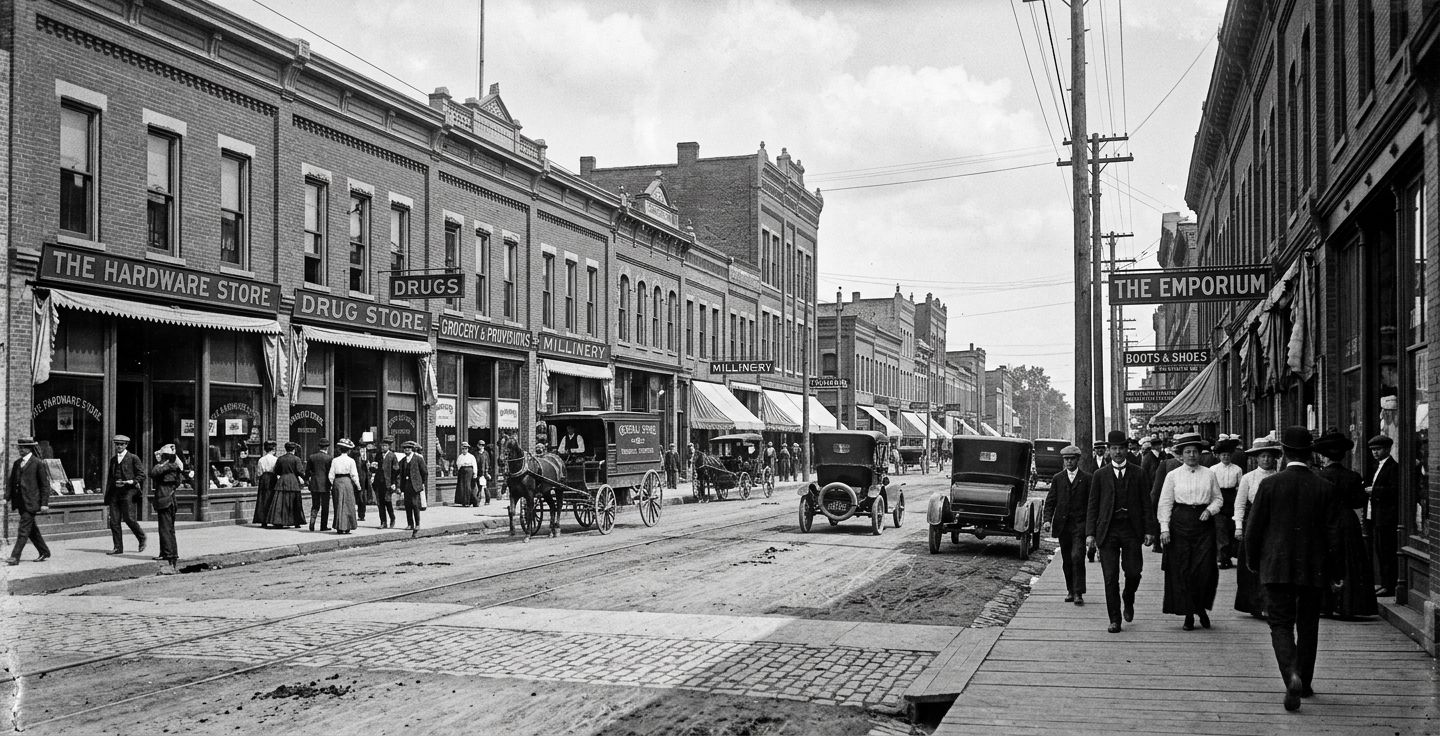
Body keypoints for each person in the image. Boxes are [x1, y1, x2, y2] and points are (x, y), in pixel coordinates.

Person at [1244, 426, 1343, 712]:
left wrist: (1253, 562)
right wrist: (1337, 573)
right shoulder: (1325, 486)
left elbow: (1254, 529)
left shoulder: (1270, 485)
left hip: (1276, 567)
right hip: (1313, 570)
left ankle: (1291, 675)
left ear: (1284, 454)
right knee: (1309, 624)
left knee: (1280, 624)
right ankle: (1306, 681)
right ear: (1309, 454)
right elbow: (1334, 535)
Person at [1086, 430, 1156, 633]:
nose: (1117, 452)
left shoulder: (1139, 473)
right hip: (1108, 531)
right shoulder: (1100, 475)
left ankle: (1128, 596)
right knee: (1110, 576)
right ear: (1108, 451)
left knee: (1133, 572)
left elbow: (1146, 504)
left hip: (1131, 531)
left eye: (1121, 448)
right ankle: (1114, 619)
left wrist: (1150, 530)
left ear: (1127, 450)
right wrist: (1090, 533)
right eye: (1114, 448)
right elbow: (1093, 505)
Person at [1158, 432, 1223, 631]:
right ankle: (1188, 614)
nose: (1192, 455)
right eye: (1187, 452)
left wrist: (1209, 510)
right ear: (1181, 455)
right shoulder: (1173, 475)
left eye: (1195, 452)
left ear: (1200, 454)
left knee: (1204, 570)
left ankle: (1201, 608)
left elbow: (1218, 499)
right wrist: (1164, 528)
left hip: (1203, 526)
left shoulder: (1209, 474)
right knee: (1182, 570)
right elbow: (1165, 503)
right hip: (1180, 525)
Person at [1312, 429, 1377, 618]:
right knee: (1350, 560)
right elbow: (1358, 501)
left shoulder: (1318, 477)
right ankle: (1350, 605)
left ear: (1324, 457)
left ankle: (1325, 604)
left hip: (1324, 521)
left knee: (1325, 557)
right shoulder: (1353, 476)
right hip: (1348, 522)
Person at [1233, 436, 1282, 617]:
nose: (1266, 460)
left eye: (1269, 456)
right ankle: (1254, 604)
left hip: (1274, 523)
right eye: (1262, 456)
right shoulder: (1248, 478)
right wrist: (1239, 526)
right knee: (1251, 563)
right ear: (1256, 458)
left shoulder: (1279, 477)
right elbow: (1239, 504)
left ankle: (1270, 604)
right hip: (1253, 522)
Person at [1043, 445, 1091, 606]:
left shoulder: (1087, 479)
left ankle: (1078, 592)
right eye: (1066, 459)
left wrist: (1091, 527)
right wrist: (1047, 520)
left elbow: (1092, 504)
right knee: (1067, 560)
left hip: (1080, 524)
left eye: (1072, 459)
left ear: (1078, 460)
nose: (1069, 462)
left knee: (1077, 556)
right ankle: (1070, 590)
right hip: (1063, 526)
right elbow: (1050, 501)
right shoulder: (1058, 478)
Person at [6, 437, 51, 565]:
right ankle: (44, 551)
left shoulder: (38, 463)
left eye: (23, 447)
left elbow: (45, 485)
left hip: (32, 503)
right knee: (31, 529)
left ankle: (15, 557)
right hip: (20, 502)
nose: (20, 450)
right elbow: (11, 482)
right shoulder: (17, 463)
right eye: (19, 447)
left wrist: (44, 504)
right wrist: (6, 498)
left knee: (23, 530)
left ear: (30, 448)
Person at [1365, 434, 1399, 598]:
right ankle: (1384, 582)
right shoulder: (1378, 466)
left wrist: (1374, 491)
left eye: (1378, 450)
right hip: (1376, 516)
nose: (1375, 453)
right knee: (1380, 550)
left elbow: (1394, 491)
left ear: (1387, 449)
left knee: (1387, 551)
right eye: (1373, 450)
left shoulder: (1392, 467)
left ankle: (1389, 585)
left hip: (1386, 517)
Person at [106, 434, 147, 555]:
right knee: (114, 521)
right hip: (115, 493)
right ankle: (118, 547)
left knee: (129, 518)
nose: (119, 446)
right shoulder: (113, 460)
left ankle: (141, 537)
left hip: (128, 492)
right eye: (117, 444)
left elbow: (142, 475)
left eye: (121, 444)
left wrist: (132, 481)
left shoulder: (133, 458)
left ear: (126, 445)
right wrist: (108, 494)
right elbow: (110, 478)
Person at [1211, 435, 1244, 569]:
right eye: (1223, 455)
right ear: (1219, 456)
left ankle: (1228, 556)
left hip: (1232, 498)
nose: (1225, 457)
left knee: (1231, 529)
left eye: (1228, 455)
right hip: (1218, 497)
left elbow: (1240, 486)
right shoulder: (1213, 469)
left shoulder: (1237, 469)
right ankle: (1221, 557)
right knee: (1220, 529)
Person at [149, 444, 184, 571]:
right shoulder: (175, 467)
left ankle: (169, 555)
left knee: (165, 529)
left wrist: (163, 462)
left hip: (165, 500)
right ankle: (169, 553)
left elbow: (153, 472)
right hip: (170, 500)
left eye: (162, 455)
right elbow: (178, 481)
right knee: (169, 529)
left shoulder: (168, 466)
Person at [272, 442, 308, 528]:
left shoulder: (280, 458)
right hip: (293, 481)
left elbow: (276, 471)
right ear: (294, 450)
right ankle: (296, 521)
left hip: (282, 481)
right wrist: (306, 478)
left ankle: (279, 521)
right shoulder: (296, 459)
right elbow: (300, 471)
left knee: (281, 503)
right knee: (295, 502)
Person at [327, 438, 360, 534]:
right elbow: (354, 474)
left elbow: (331, 475)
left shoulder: (335, 460)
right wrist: (358, 485)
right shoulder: (351, 461)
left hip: (337, 481)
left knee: (338, 504)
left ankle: (339, 527)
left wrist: (333, 484)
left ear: (340, 449)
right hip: (347, 481)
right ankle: (347, 526)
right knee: (348, 504)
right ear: (349, 450)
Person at [399, 440, 428, 536]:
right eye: (405, 448)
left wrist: (422, 483)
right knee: (407, 505)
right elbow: (401, 474)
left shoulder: (418, 459)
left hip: (415, 486)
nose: (407, 450)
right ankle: (410, 524)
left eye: (408, 448)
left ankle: (417, 524)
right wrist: (401, 487)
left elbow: (424, 472)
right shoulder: (403, 461)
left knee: (415, 504)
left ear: (412, 449)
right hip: (406, 485)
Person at [306, 439, 334, 532]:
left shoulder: (312, 457)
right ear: (327, 447)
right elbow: (330, 473)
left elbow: (307, 471)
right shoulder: (329, 458)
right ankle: (323, 526)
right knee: (325, 506)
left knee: (315, 505)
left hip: (314, 484)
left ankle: (312, 523)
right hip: (325, 484)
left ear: (319, 447)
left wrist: (307, 480)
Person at [373, 438, 399, 528]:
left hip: (388, 483)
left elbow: (396, 471)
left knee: (388, 502)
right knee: (380, 503)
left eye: (385, 446)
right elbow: (374, 468)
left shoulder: (392, 456)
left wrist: (394, 483)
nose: (383, 447)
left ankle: (392, 518)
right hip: (379, 483)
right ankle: (383, 522)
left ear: (389, 446)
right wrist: (372, 468)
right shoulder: (378, 455)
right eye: (382, 446)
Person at [252, 440, 279, 528]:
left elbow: (259, 472)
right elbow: (278, 471)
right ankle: (272, 519)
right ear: (273, 449)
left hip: (264, 479)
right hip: (273, 478)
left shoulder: (261, 459)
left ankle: (263, 520)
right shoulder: (276, 459)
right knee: (273, 498)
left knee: (263, 498)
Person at [453, 442, 479, 507]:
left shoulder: (471, 456)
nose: (464, 450)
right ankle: (463, 502)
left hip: (469, 471)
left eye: (465, 449)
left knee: (468, 486)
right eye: (463, 449)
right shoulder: (460, 457)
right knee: (462, 486)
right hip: (462, 471)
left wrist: (475, 473)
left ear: (467, 449)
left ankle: (469, 502)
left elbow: (474, 465)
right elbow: (458, 464)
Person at [353, 442, 372, 522]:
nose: (363, 450)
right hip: (356, 478)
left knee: (362, 497)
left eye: (364, 449)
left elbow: (372, 466)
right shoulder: (354, 455)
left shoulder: (369, 455)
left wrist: (369, 466)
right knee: (356, 497)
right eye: (362, 449)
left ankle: (361, 515)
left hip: (365, 479)